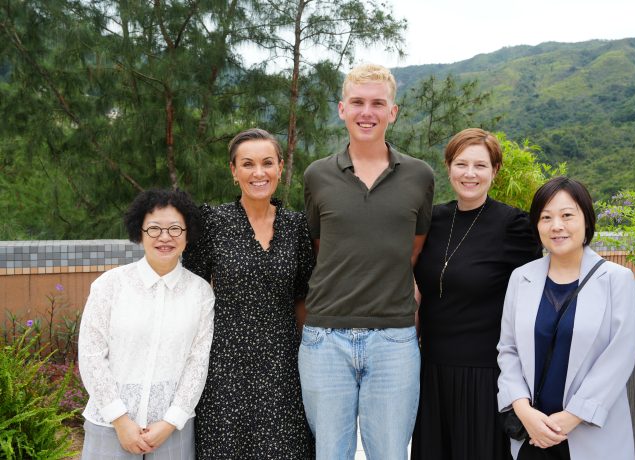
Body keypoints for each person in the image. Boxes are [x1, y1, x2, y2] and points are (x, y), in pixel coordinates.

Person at [299, 63, 435, 460]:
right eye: (357, 102)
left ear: (393, 112)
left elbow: (413, 248)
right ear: (342, 109)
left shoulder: (419, 176)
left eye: (378, 103)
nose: (367, 112)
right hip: (325, 338)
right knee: (330, 454)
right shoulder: (317, 175)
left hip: (394, 338)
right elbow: (322, 246)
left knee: (391, 454)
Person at [183, 128, 315, 459]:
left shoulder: (297, 226)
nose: (259, 173)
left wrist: (310, 359)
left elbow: (303, 299)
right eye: (248, 164)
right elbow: (191, 293)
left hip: (283, 365)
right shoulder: (211, 222)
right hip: (224, 365)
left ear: (281, 167)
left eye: (267, 163)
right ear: (233, 171)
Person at [411, 128, 542, 459]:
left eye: (480, 166)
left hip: (484, 376)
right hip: (430, 371)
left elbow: (532, 304)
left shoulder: (514, 226)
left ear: (495, 171)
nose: (470, 174)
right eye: (461, 164)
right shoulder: (432, 220)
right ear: (449, 167)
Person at [497, 177, 635, 460]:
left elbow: (619, 356)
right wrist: (523, 410)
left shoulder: (615, 279)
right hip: (532, 434)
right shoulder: (521, 278)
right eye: (546, 217)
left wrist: (574, 415)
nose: (556, 226)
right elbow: (508, 349)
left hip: (589, 433)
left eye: (567, 216)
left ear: (586, 220)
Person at [79, 189, 215, 459]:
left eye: (175, 228)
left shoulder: (200, 292)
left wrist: (171, 421)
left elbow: (197, 362)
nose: (165, 237)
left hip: (172, 430)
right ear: (139, 233)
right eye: (154, 229)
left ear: (188, 234)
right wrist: (120, 419)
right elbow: (91, 355)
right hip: (110, 426)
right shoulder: (110, 285)